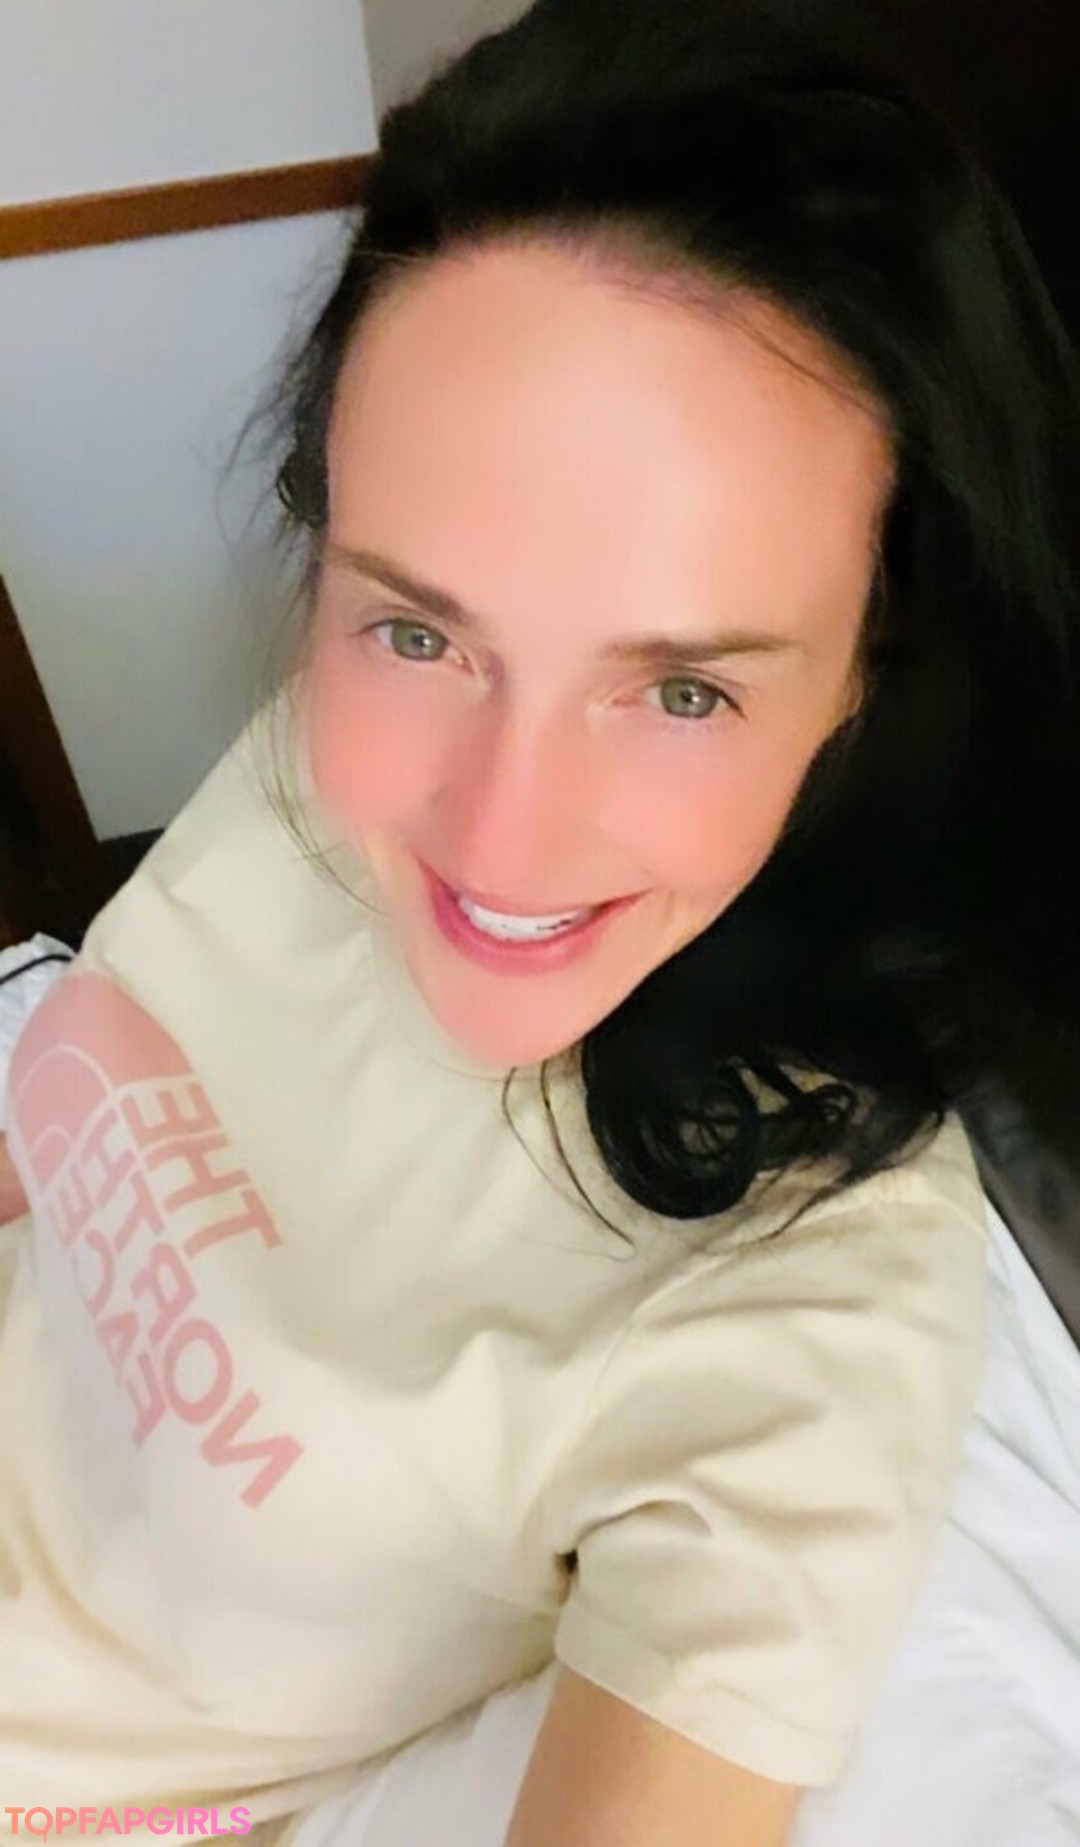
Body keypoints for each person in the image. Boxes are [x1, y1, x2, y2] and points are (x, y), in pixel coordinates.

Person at [1, 1, 1078, 1841]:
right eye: (421, 628)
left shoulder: (799, 1320)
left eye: (682, 689)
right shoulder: (324, 762)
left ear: (867, 685)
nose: (494, 834)